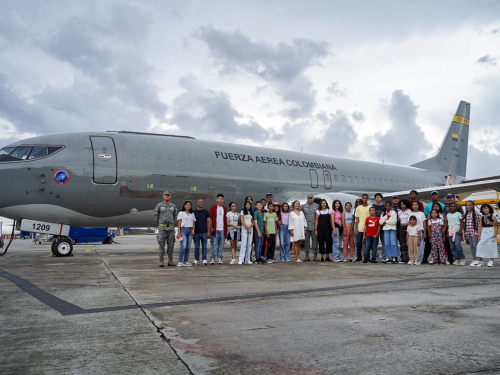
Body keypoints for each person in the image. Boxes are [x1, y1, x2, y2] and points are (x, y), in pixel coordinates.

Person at [154, 191, 178, 267]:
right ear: (163, 196)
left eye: (168, 195)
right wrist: (160, 224)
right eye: (166, 195)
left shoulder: (173, 206)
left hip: (170, 229)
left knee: (171, 245)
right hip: (162, 228)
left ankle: (170, 261)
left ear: (170, 197)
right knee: (161, 244)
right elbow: (156, 216)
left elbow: (175, 216)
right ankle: (161, 261)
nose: (167, 196)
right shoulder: (159, 205)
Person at [423, 191, 445, 264]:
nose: (434, 196)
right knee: (431, 246)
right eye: (433, 195)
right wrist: (428, 231)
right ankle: (432, 258)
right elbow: (426, 217)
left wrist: (444, 233)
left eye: (436, 195)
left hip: (439, 232)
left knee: (441, 247)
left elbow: (444, 218)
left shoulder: (442, 205)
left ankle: (442, 259)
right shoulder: (427, 206)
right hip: (432, 231)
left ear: (438, 196)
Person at [176, 200, 196, 267]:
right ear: (184, 205)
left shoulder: (192, 213)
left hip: (190, 230)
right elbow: (179, 222)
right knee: (183, 246)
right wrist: (179, 232)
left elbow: (194, 222)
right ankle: (180, 261)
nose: (188, 206)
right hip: (183, 230)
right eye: (187, 204)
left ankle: (186, 261)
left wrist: (193, 230)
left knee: (188, 247)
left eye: (189, 205)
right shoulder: (181, 213)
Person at [209, 193, 227, 264]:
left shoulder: (224, 208)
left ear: (223, 200)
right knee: (214, 244)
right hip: (215, 229)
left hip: (222, 229)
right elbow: (210, 218)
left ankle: (220, 258)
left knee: (221, 245)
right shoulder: (213, 207)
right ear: (216, 199)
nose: (220, 200)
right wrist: (211, 227)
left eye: (221, 199)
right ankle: (212, 258)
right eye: (219, 198)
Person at [193, 198, 211, 265]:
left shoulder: (206, 212)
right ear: (197, 203)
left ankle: (204, 259)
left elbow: (209, 222)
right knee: (196, 247)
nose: (200, 203)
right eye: (199, 202)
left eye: (202, 202)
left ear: (203, 203)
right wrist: (193, 231)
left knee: (204, 247)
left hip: (204, 232)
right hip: (196, 233)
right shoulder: (194, 212)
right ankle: (196, 259)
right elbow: (193, 222)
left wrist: (209, 232)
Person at [301, 194, 319, 261]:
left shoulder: (317, 206)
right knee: (306, 242)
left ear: (313, 199)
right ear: (307, 199)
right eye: (309, 198)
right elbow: (301, 216)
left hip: (314, 227)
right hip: (306, 227)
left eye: (311, 198)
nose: (310, 199)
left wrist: (317, 228)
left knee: (315, 241)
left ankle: (315, 256)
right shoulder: (303, 206)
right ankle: (307, 256)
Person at [463, 200, 482, 266]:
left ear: (473, 206)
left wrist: (479, 233)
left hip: (474, 232)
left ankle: (478, 259)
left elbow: (479, 224)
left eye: (470, 205)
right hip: (468, 232)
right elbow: (464, 224)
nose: (468, 206)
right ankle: (474, 259)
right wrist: (465, 233)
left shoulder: (476, 213)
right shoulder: (465, 214)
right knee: (471, 246)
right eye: (467, 205)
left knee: (475, 245)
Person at [354, 194, 372, 262]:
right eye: (363, 198)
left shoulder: (370, 207)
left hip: (368, 228)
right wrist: (357, 228)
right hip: (360, 227)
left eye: (365, 198)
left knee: (367, 244)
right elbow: (357, 218)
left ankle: (367, 257)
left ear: (367, 199)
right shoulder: (358, 207)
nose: (364, 199)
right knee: (358, 243)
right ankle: (359, 256)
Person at [410, 201, 427, 265]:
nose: (415, 206)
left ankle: (419, 259)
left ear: (419, 206)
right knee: (413, 246)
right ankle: (413, 259)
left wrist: (425, 232)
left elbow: (424, 223)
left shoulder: (421, 213)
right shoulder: (410, 213)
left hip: (420, 230)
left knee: (420, 245)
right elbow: (409, 223)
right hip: (412, 231)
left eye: (416, 205)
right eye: (413, 205)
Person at [239, 200, 254, 265]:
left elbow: (253, 222)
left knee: (249, 245)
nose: (248, 205)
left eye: (249, 204)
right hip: (244, 228)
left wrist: (250, 227)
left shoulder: (252, 212)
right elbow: (242, 221)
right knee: (243, 244)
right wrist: (247, 227)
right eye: (247, 204)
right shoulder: (242, 212)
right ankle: (241, 259)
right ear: (245, 205)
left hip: (250, 228)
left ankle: (247, 259)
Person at [373, 193, 385, 260]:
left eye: (379, 197)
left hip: (383, 227)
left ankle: (383, 257)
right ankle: (376, 257)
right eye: (376, 197)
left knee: (384, 243)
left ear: (381, 198)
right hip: (375, 227)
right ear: (375, 199)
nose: (378, 198)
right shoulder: (373, 206)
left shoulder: (383, 207)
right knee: (375, 243)